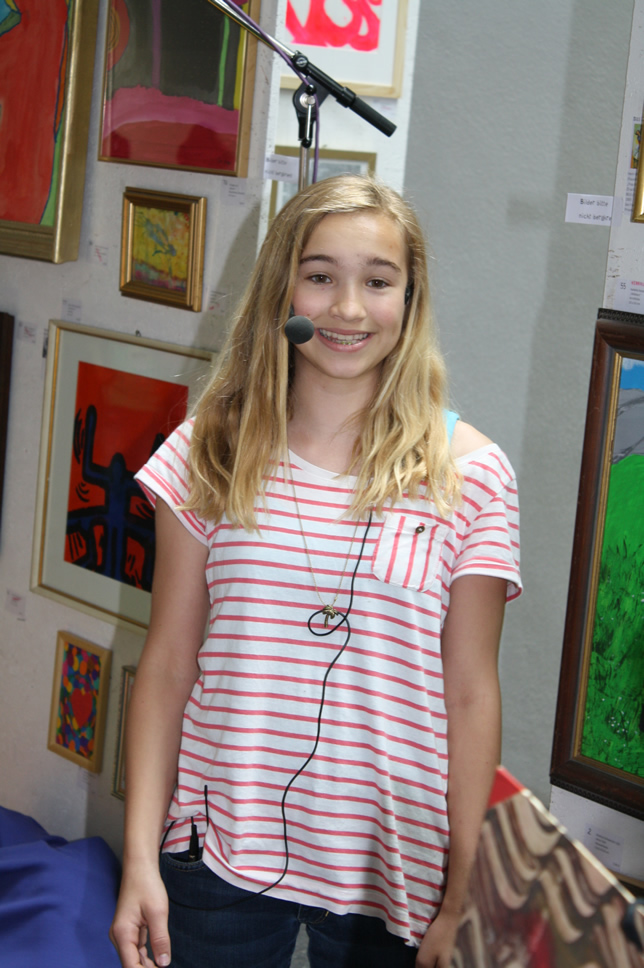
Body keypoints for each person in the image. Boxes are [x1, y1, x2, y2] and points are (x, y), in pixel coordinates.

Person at [110, 174, 521, 968]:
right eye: (321, 276)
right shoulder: (208, 450)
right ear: (283, 290)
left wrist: (465, 891)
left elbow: (472, 694)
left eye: (379, 282)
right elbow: (166, 665)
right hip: (216, 853)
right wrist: (138, 862)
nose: (348, 309)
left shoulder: (472, 476)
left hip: (394, 872)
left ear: (410, 300)